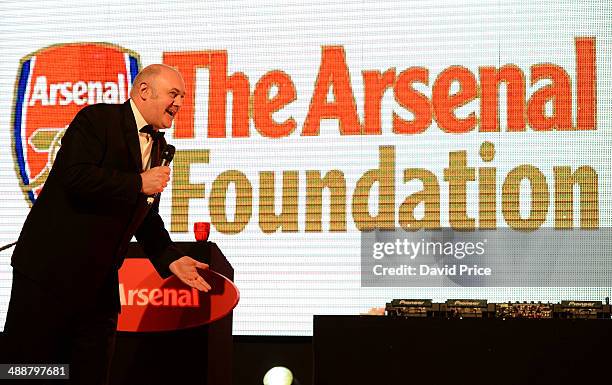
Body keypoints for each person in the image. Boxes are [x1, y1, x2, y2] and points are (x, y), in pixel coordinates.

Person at [1, 64, 210, 385]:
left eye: (182, 95)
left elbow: (145, 213)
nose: (180, 102)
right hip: (49, 276)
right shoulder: (98, 120)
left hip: (99, 286)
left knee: (90, 373)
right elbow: (75, 176)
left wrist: (170, 257)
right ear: (144, 92)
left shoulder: (158, 146)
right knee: (30, 371)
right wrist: (138, 182)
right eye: (173, 93)